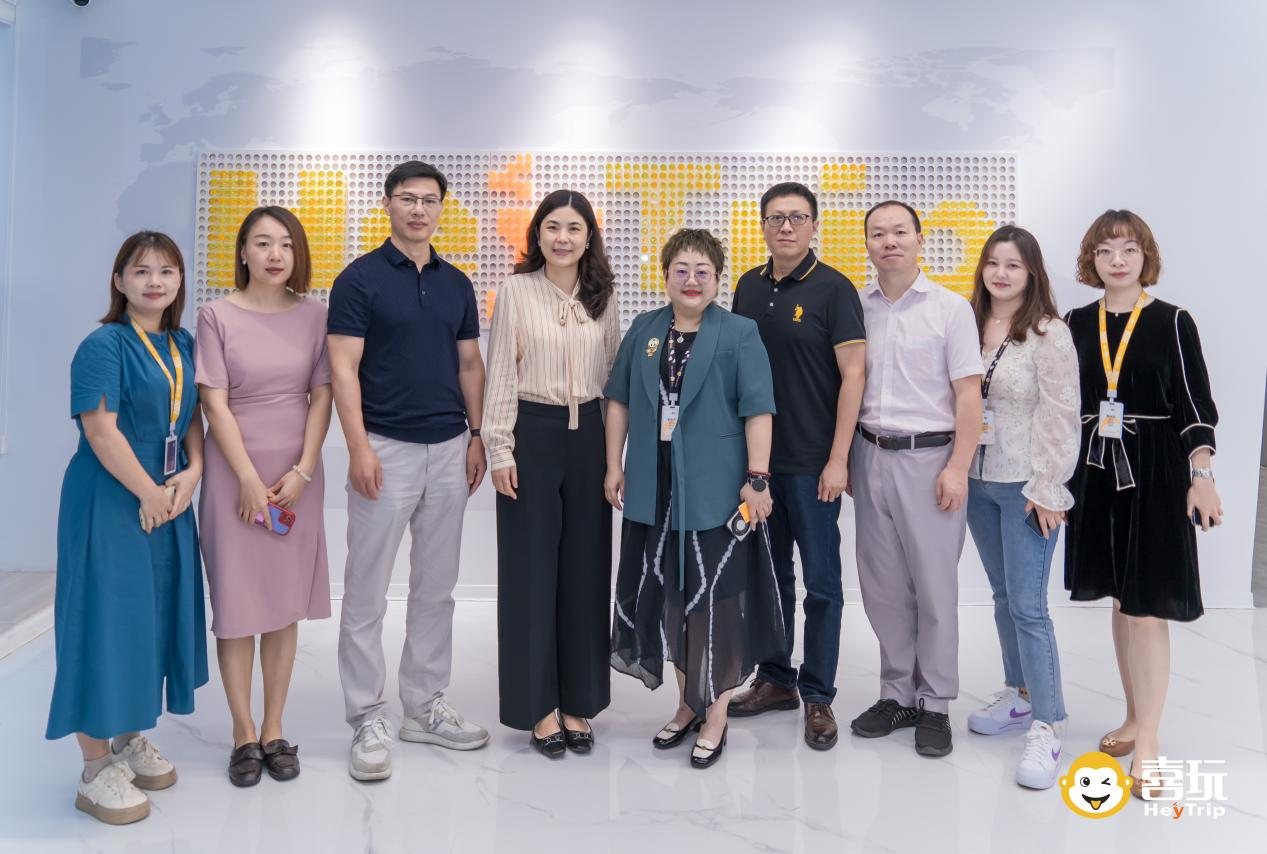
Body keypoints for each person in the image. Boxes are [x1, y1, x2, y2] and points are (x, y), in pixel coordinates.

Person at [328, 160, 490, 782]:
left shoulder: (456, 283)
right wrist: (358, 447)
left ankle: (423, 706)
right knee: (366, 591)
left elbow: (470, 364)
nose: (418, 209)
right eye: (407, 198)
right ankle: (366, 716)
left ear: (441, 208)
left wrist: (476, 435)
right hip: (385, 449)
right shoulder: (359, 280)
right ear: (388, 204)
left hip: (449, 448)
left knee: (436, 587)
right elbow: (343, 369)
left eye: (429, 200)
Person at [46, 232, 208, 824]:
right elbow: (100, 430)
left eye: (167, 271)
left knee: (148, 618)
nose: (155, 282)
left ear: (180, 281)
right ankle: (94, 767)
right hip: (112, 497)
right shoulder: (103, 344)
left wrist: (192, 473)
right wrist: (148, 492)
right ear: (119, 282)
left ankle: (129, 736)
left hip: (167, 496)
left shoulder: (182, 342)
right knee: (101, 618)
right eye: (141, 271)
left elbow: (193, 417)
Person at [607, 228, 784, 769]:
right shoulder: (645, 328)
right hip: (655, 486)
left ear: (717, 279)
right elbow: (618, 401)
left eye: (702, 271)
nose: (691, 280)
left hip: (716, 489)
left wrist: (758, 478)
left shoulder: (740, 332)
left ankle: (716, 714)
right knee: (669, 597)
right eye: (681, 270)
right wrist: (613, 464)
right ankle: (687, 703)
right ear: (665, 275)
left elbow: (759, 409)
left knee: (715, 601)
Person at [1063, 210, 1221, 798]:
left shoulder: (1173, 321)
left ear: (1145, 256)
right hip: (1096, 470)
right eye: (1105, 251)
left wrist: (1201, 475)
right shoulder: (1076, 322)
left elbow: (1196, 403)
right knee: (1122, 600)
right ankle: (1133, 717)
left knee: (1149, 606)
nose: (1118, 260)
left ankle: (1148, 741)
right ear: (1092, 260)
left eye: (1129, 249)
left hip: (1154, 471)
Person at [196, 206, 333, 787]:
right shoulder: (215, 315)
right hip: (235, 474)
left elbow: (323, 395)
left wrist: (303, 470)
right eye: (262, 243)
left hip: (296, 476)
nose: (275, 254)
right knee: (236, 605)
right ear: (243, 252)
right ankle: (242, 731)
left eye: (286, 244)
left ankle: (275, 728)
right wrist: (248, 478)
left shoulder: (316, 315)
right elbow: (214, 401)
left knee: (281, 604)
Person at [729, 181, 866, 750]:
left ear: (814, 226)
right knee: (770, 578)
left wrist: (838, 459)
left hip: (813, 467)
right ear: (763, 225)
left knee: (822, 584)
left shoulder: (835, 289)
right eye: (776, 218)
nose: (786, 227)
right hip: (759, 467)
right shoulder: (747, 286)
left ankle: (818, 695)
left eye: (797, 218)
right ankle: (776, 679)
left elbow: (853, 376)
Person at [483, 190, 619, 757]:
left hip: (590, 437)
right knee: (530, 573)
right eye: (552, 227)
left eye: (574, 228)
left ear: (589, 238)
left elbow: (614, 379)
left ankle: (579, 701)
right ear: (537, 234)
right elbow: (500, 372)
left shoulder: (603, 295)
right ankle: (537, 706)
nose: (563, 238)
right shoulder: (516, 291)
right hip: (531, 435)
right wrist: (499, 448)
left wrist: (616, 458)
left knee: (587, 571)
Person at [847, 200, 983, 757]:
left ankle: (936, 703)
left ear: (920, 240)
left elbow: (969, 395)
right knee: (882, 585)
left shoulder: (951, 309)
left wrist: (958, 468)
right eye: (878, 234)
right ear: (867, 245)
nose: (889, 242)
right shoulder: (857, 309)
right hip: (869, 454)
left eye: (900, 232)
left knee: (934, 586)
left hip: (931, 460)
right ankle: (897, 692)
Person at [963, 226, 1080, 789]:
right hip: (976, 481)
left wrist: (1048, 487)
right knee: (1003, 596)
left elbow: (1062, 412)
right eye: (993, 263)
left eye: (1013, 265)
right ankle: (1019, 693)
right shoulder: (969, 324)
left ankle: (1049, 722)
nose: (1001, 274)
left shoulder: (1049, 333)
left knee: (1030, 607)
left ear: (1031, 272)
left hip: (1025, 487)